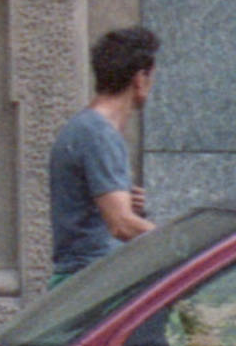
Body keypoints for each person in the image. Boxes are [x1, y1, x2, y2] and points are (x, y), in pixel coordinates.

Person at [46, 21, 160, 275]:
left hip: (85, 277)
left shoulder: (87, 128)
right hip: (92, 278)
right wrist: (179, 243)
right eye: (151, 77)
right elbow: (121, 225)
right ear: (140, 79)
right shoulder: (98, 134)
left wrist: (126, 203)